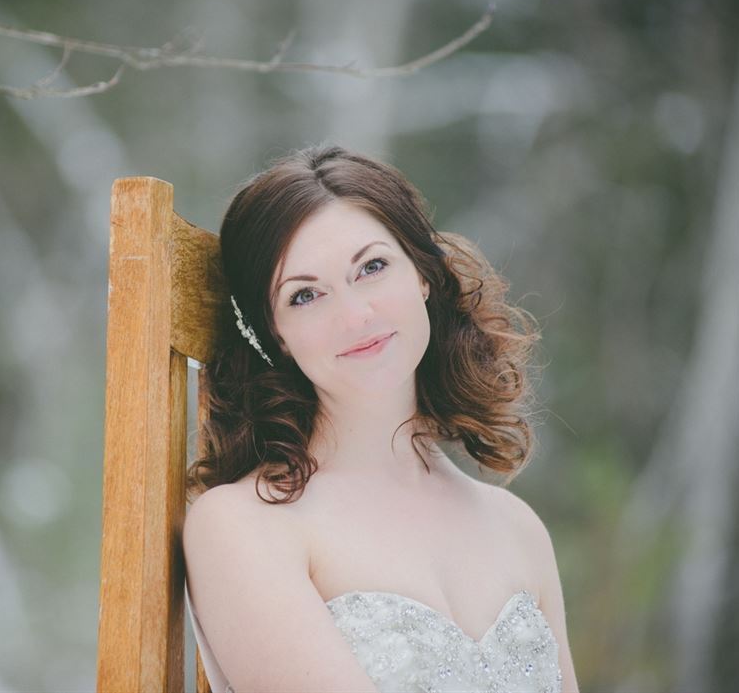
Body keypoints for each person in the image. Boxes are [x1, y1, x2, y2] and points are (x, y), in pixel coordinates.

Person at [181, 145, 579, 693]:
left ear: (422, 274)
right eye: (305, 296)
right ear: (276, 335)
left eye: (371, 267)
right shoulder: (245, 525)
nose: (355, 316)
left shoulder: (518, 528)